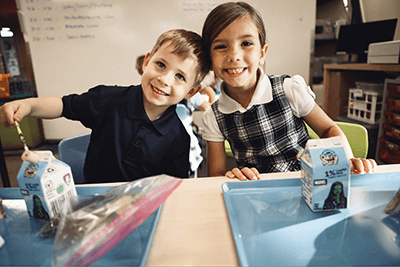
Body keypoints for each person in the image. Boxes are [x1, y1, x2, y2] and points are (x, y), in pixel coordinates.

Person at [0, 29, 209, 183]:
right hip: (93, 201)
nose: (165, 79)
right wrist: (28, 105)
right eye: (161, 65)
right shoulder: (107, 99)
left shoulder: (179, 138)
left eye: (180, 76)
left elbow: (173, 187)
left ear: (191, 92)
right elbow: (62, 106)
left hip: (142, 209)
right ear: (147, 62)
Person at [201, 2, 376, 181]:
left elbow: (328, 129)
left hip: (307, 183)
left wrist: (347, 160)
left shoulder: (289, 89)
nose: (234, 56)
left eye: (246, 43)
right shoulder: (214, 116)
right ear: (209, 59)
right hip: (259, 194)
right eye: (221, 46)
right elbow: (216, 176)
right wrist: (232, 175)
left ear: (262, 53)